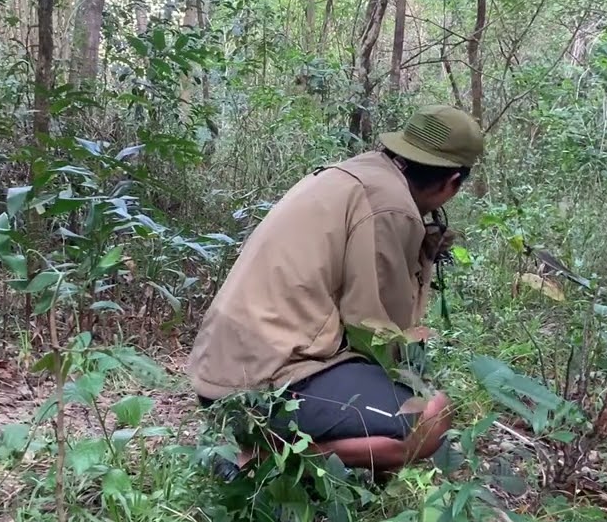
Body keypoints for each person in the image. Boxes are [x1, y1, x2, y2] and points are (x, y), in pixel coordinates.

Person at [188, 104, 484, 476]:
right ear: (453, 182)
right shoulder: (392, 207)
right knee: (429, 417)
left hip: (220, 375)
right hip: (267, 382)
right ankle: (258, 460)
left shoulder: (356, 173)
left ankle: (268, 452)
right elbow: (380, 334)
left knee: (393, 402)